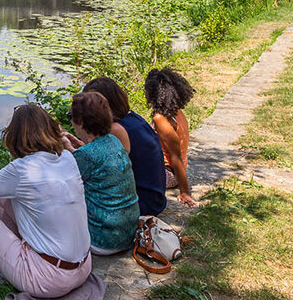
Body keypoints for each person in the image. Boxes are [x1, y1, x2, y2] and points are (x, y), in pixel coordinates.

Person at [0, 104, 91, 297]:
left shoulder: (21, 169)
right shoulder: (67, 157)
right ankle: (7, 271)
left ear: (15, 136)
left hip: (48, 280)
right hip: (83, 268)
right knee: (5, 199)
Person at [61, 92, 140, 255]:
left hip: (103, 241)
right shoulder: (114, 141)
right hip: (127, 235)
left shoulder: (86, 155)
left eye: (71, 116)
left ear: (80, 122)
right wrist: (77, 148)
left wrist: (67, 150)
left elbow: (60, 184)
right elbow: (97, 162)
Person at [83, 77, 167, 216]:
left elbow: (100, 170)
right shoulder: (133, 118)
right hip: (154, 197)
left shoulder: (116, 129)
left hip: (144, 204)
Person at [146, 68, 198, 207]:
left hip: (166, 173)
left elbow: (175, 156)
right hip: (170, 171)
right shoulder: (177, 112)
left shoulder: (161, 119)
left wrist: (185, 192)